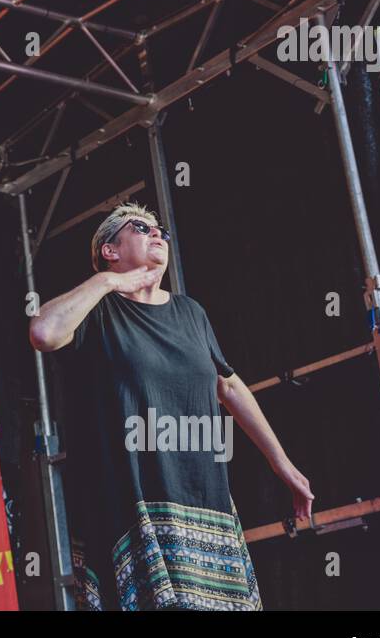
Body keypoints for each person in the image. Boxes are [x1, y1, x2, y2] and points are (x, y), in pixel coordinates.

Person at [28, 201, 313, 610]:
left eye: (159, 228)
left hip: (203, 499)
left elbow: (229, 388)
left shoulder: (190, 312)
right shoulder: (98, 310)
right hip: (135, 501)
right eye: (141, 228)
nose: (157, 232)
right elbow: (43, 332)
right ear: (110, 250)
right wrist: (108, 282)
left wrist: (282, 464)